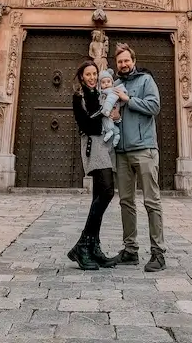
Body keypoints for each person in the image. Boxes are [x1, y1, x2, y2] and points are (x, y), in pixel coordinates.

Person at [110, 42, 166, 272]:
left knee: (151, 201)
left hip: (144, 148)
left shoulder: (146, 80)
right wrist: (112, 115)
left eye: (126, 60)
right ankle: (130, 250)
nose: (123, 64)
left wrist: (127, 99)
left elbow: (154, 106)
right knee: (125, 202)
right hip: (122, 152)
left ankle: (158, 253)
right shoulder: (114, 84)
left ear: (133, 61)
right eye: (120, 61)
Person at [68, 59, 118, 271]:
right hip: (92, 146)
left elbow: (109, 116)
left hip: (104, 145)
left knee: (99, 193)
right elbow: (87, 124)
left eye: (94, 74)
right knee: (107, 192)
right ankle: (83, 244)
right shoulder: (79, 97)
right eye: (88, 74)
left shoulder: (99, 94)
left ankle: (93, 247)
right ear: (81, 77)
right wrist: (104, 115)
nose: (92, 78)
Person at [93, 69, 127, 147]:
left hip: (108, 110)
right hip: (109, 112)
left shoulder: (112, 91)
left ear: (112, 82)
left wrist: (107, 110)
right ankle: (116, 134)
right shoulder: (101, 92)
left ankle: (109, 132)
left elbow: (110, 100)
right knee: (109, 123)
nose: (106, 84)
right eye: (103, 82)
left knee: (106, 120)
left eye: (108, 82)